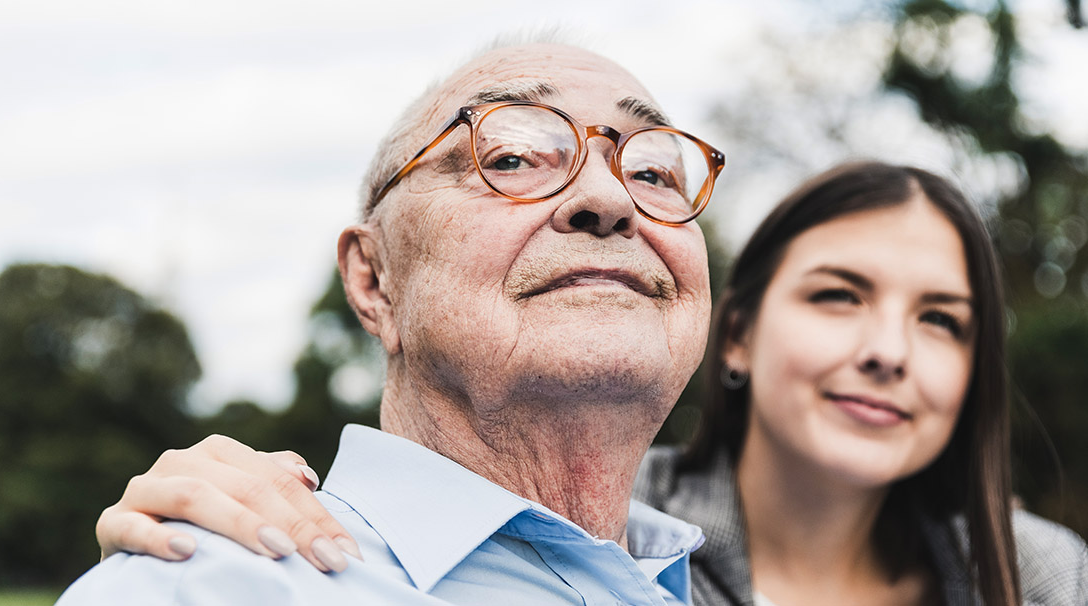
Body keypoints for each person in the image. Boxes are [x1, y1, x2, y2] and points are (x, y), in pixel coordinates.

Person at [93, 162, 1088, 605]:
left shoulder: (1044, 579)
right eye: (836, 297)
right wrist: (207, 504)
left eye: (940, 321)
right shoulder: (591, 543)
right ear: (732, 336)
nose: (888, 350)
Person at [56, 39, 727, 606]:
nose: (609, 199)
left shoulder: (717, 580)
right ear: (374, 281)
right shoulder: (201, 587)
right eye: (512, 157)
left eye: (652, 170)